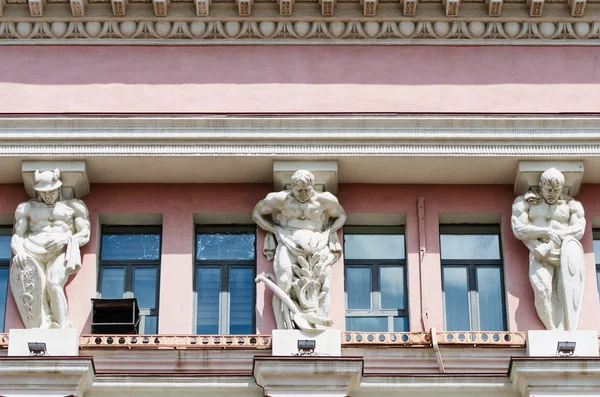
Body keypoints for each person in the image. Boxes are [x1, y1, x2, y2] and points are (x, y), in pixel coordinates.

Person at [253, 170, 346, 330]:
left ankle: (318, 323)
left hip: (317, 246)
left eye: (307, 190)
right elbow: (257, 214)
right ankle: (285, 326)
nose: (303, 194)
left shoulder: (324, 200)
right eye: (299, 190)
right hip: (287, 244)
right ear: (292, 187)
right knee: (284, 282)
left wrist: (329, 232)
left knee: (323, 286)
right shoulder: (280, 200)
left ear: (312, 186)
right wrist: (273, 230)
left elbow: (342, 216)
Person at [11, 169, 90, 329]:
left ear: (58, 189)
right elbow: (18, 235)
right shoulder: (27, 208)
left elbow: (84, 234)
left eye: (51, 191)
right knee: (37, 289)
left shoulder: (73, 206)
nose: (48, 196)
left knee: (53, 284)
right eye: (44, 192)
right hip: (33, 251)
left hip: (59, 252)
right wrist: (19, 250)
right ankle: (43, 324)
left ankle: (62, 325)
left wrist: (67, 239)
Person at [511, 167, 586, 330]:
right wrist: (546, 231)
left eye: (556, 190)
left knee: (565, 293)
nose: (552, 193)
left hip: (564, 254)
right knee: (542, 289)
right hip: (539, 251)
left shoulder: (571, 205)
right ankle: (552, 330)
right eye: (548, 190)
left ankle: (564, 329)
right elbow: (519, 229)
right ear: (541, 186)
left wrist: (559, 234)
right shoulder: (525, 203)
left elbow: (579, 229)